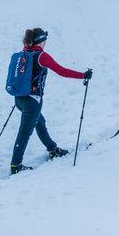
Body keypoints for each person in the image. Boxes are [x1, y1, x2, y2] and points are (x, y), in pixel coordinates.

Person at [8, 27, 91, 174]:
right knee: (24, 132)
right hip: (32, 102)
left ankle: (53, 149)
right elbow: (62, 71)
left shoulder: (24, 53)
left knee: (40, 123)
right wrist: (83, 75)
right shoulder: (41, 56)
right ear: (41, 41)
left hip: (19, 99)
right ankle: (16, 165)